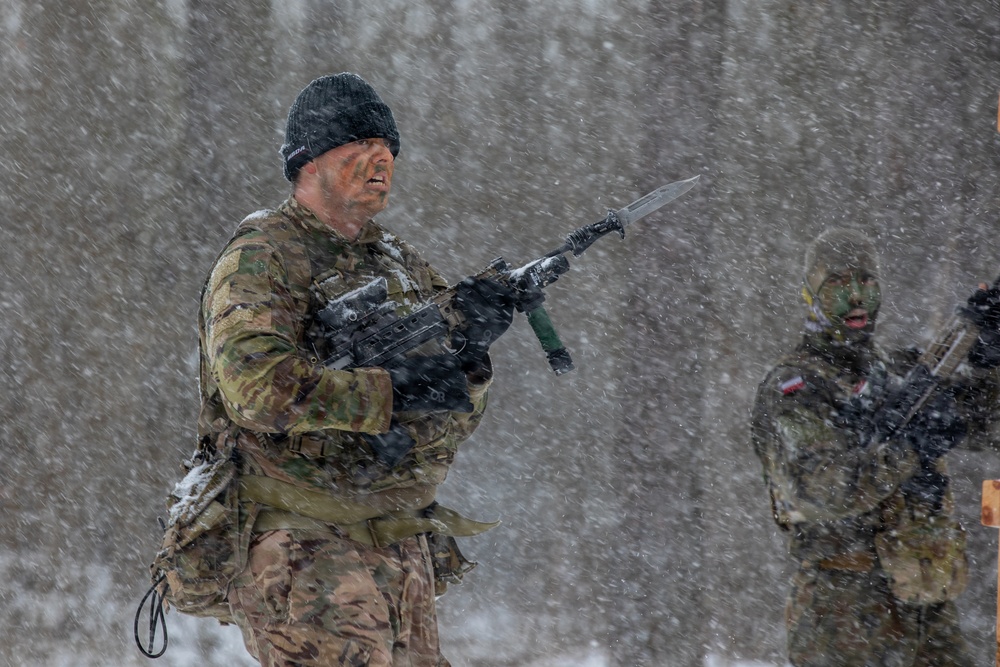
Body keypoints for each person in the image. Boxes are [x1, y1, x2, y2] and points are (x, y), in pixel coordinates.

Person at [198, 72, 515, 667]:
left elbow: (452, 410)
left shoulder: (397, 261)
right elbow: (257, 390)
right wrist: (389, 395)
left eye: (387, 151)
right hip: (302, 547)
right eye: (360, 151)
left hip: (399, 544)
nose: (380, 165)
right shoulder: (262, 258)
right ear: (309, 162)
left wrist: (472, 357)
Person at [750, 228, 1000, 667]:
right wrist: (907, 449)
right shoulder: (796, 388)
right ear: (811, 293)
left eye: (866, 281)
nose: (857, 295)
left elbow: (988, 421)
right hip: (844, 612)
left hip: (926, 602)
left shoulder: (898, 372)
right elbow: (819, 490)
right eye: (839, 283)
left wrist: (990, 357)